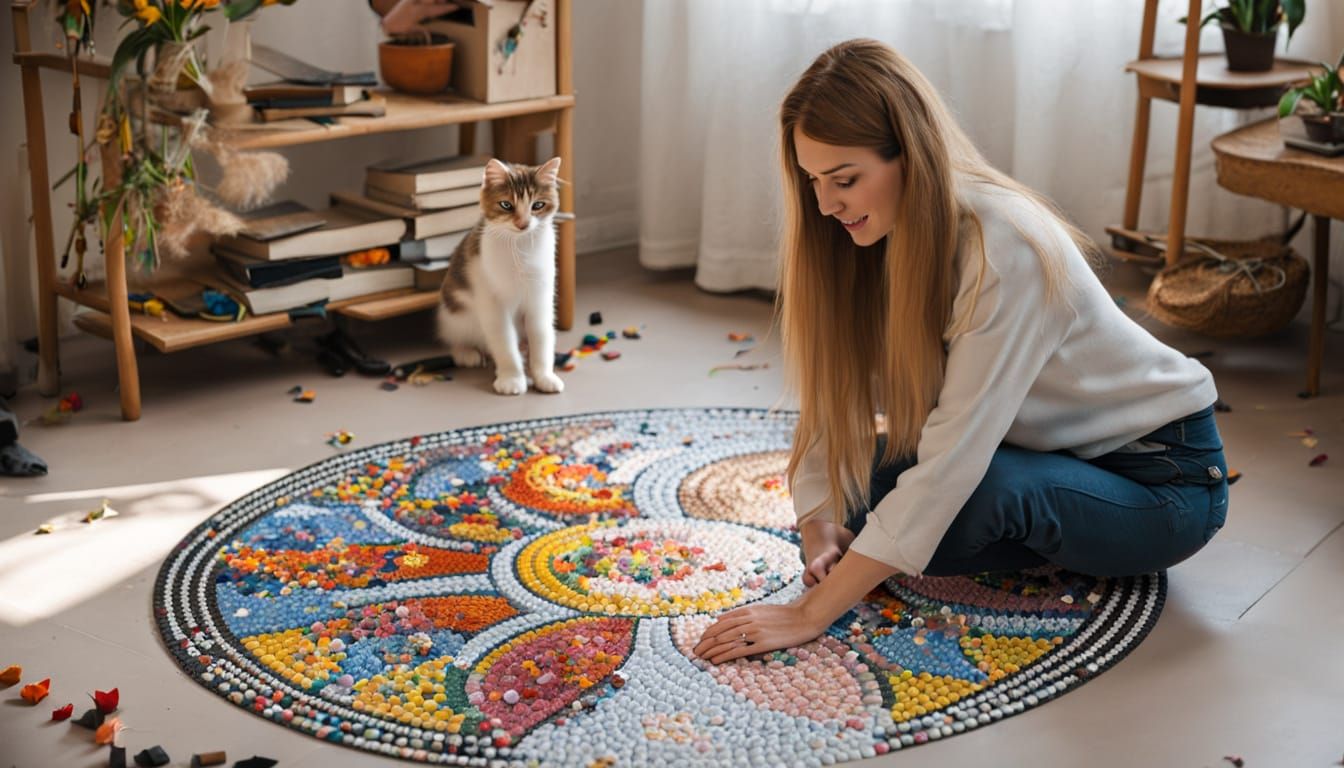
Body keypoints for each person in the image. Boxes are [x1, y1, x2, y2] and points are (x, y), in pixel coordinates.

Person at [693, 39, 1228, 665]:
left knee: (956, 498)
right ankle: (1035, 523)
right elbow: (830, 412)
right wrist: (820, 530)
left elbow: (952, 461)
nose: (825, 204)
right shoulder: (878, 235)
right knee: (866, 498)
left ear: (911, 157)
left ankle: (1068, 525)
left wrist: (811, 610)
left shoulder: (1006, 247)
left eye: (845, 179)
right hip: (1035, 449)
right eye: (813, 180)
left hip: (1165, 480)